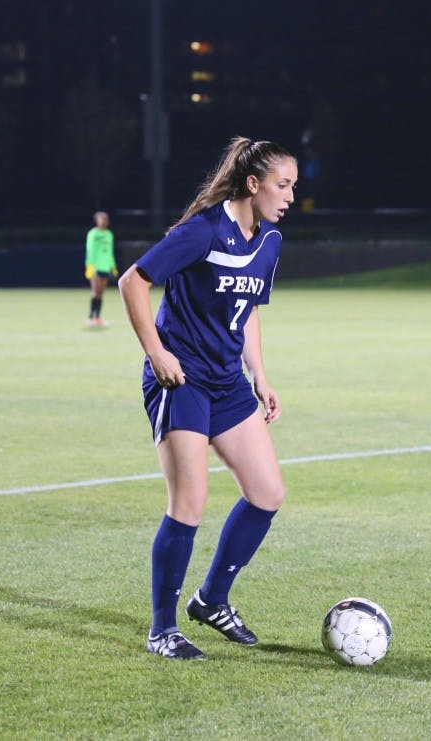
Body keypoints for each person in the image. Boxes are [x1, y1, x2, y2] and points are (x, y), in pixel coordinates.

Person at [118, 137, 298, 659]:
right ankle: (162, 629)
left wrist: (259, 375)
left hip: (227, 382)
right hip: (182, 380)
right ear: (253, 183)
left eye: (292, 187)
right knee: (190, 504)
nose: (288, 196)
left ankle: (211, 600)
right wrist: (157, 354)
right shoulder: (202, 230)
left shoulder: (270, 241)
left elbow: (248, 311)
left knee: (268, 493)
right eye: (282, 185)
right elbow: (134, 281)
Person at [84, 211, 118, 326]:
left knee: (101, 293)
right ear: (97, 220)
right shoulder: (93, 233)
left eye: (105, 219)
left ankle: (97, 317)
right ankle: (90, 317)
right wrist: (89, 266)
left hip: (105, 267)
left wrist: (113, 266)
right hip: (95, 267)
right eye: (101, 219)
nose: (104, 221)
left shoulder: (109, 234)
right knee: (95, 292)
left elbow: (110, 252)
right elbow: (90, 250)